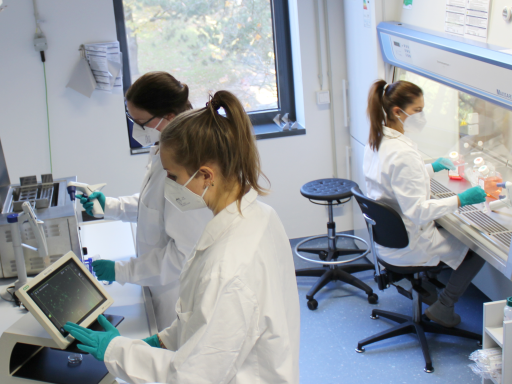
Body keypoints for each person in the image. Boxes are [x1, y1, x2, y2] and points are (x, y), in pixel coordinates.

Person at [65, 90, 300, 383]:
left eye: (173, 177)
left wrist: (117, 350)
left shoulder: (227, 268)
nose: (169, 186)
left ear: (205, 175)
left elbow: (192, 377)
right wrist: (160, 342)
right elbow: (203, 319)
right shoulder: (261, 215)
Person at [76, 71, 212, 330]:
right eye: (131, 119)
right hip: (156, 281)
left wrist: (123, 271)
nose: (136, 129)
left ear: (168, 117)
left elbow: (184, 255)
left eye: (141, 122)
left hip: (178, 293)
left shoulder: (188, 165)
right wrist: (110, 206)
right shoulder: (166, 148)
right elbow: (156, 206)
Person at [363, 79, 487, 328]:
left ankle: (423, 286)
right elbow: (418, 212)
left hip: (388, 239)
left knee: (446, 228)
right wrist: (461, 199)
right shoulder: (402, 152)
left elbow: (395, 180)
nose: (422, 116)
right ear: (398, 112)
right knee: (479, 247)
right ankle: (444, 306)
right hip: (411, 241)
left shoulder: (377, 140)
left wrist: (431, 167)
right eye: (418, 110)